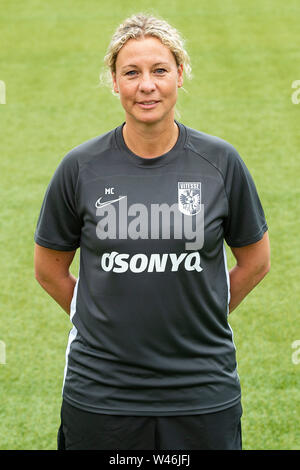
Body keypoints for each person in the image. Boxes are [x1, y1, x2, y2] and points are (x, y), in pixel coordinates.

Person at [34, 13, 270, 450]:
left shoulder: (220, 162)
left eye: (159, 70)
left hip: (201, 389)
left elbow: (256, 262)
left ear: (180, 74)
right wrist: (104, 320)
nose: (147, 85)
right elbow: (49, 270)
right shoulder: (81, 167)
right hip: (102, 392)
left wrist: (199, 312)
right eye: (131, 72)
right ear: (115, 80)